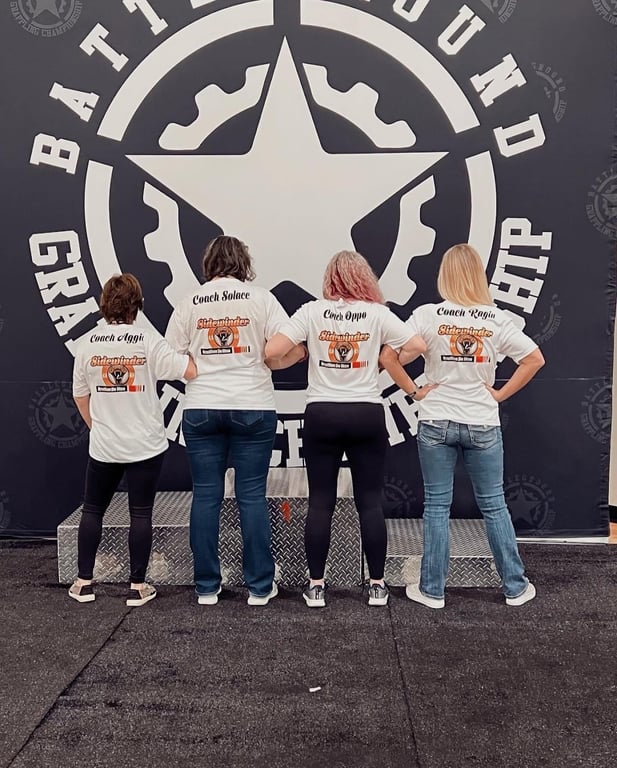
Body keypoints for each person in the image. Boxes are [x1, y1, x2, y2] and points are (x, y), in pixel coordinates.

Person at [265, 250, 434, 608]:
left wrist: (304, 351)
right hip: (366, 412)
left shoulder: (311, 311)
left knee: (320, 502)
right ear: (364, 278)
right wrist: (381, 362)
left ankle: (316, 586)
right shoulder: (377, 314)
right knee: (370, 502)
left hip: (322, 413)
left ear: (329, 280)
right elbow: (417, 346)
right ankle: (377, 586)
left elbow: (273, 350)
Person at [384, 243, 545, 609]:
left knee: (437, 506)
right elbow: (534, 359)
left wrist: (414, 391)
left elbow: (390, 357)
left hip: (436, 419)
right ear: (478, 276)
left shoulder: (427, 315)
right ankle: (515, 587)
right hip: (482, 421)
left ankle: (432, 590)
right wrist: (499, 395)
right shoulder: (496, 318)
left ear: (445, 275)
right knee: (494, 505)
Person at [165, 236, 306, 607]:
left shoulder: (190, 302)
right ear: (243, 263)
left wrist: (198, 371)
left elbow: (169, 356)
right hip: (253, 406)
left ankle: (206, 587)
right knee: (251, 496)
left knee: (206, 495)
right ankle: (259, 587)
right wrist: (286, 359)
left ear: (209, 263)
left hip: (202, 407)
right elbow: (286, 347)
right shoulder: (261, 299)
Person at [70, 274, 197, 606]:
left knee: (93, 509)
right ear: (137, 306)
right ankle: (137, 587)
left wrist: (98, 427)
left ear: (104, 305)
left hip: (105, 445)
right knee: (141, 513)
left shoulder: (87, 343)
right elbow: (188, 370)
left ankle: (83, 583)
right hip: (145, 445)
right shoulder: (147, 340)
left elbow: (80, 396)